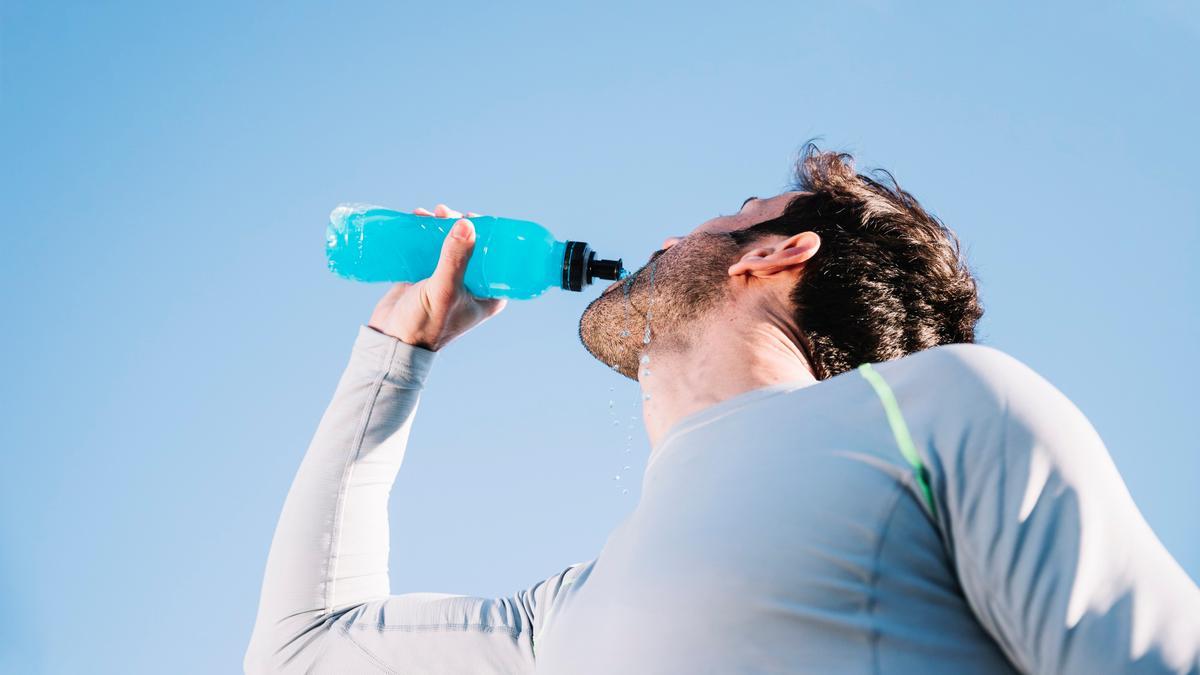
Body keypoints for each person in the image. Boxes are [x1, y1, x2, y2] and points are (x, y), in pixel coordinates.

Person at [245, 144, 1200, 674]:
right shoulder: (564, 618)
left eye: (723, 214)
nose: (665, 236)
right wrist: (393, 353)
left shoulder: (942, 407)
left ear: (774, 255)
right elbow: (303, 655)